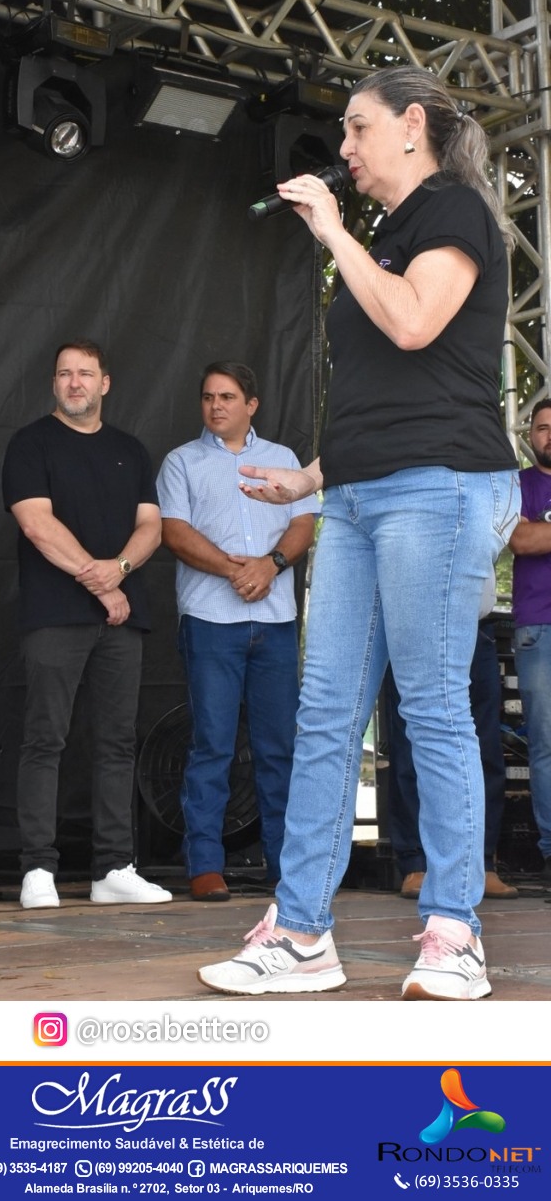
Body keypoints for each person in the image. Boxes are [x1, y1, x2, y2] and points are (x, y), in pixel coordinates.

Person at [198, 66, 520, 1001]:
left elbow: (418, 326)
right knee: (327, 710)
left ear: (412, 125)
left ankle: (454, 932)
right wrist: (308, 476)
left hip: (443, 489)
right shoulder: (384, 233)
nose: (342, 150)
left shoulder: (454, 211)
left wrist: (334, 232)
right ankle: (301, 931)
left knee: (427, 707)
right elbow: (385, 396)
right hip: (359, 496)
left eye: (356, 129)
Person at [2, 339, 170, 909]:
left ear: (105, 383)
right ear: (54, 384)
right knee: (45, 738)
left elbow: (152, 526)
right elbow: (36, 524)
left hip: (122, 616)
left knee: (118, 743)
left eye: (85, 374)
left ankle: (113, 868)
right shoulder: (30, 444)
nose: (75, 383)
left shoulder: (130, 449)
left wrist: (119, 569)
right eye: (64, 374)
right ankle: (37, 870)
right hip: (56, 615)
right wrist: (103, 584)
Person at [156, 361, 315, 901]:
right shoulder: (181, 461)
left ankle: (286, 866)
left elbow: (303, 522)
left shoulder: (285, 461)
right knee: (211, 745)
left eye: (227, 396)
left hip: (274, 622)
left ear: (252, 404)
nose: (215, 405)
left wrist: (269, 565)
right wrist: (236, 570)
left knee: (279, 748)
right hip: (209, 620)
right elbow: (173, 532)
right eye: (207, 397)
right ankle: (205, 864)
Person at [383, 620, 517, 900]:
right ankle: (415, 862)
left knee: (485, 748)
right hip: (415, 624)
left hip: (477, 623)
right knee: (410, 745)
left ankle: (483, 861)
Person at [507, 397, 551, 885]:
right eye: (541, 427)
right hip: (540, 626)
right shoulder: (518, 484)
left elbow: (540, 536)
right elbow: (522, 541)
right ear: (530, 436)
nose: (549, 434)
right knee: (546, 743)